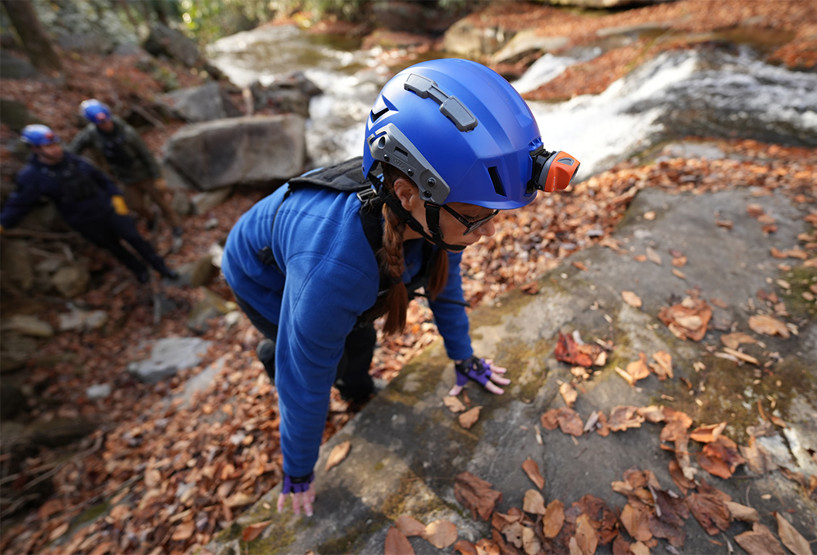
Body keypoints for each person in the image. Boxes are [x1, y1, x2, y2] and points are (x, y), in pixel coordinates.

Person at [220, 58, 580, 517]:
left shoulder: (440, 209)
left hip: (327, 261)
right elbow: (303, 381)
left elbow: (443, 287)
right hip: (259, 271)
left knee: (356, 335)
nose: (488, 232)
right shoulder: (335, 270)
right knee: (322, 351)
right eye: (477, 217)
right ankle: (279, 352)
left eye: (494, 215)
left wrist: (463, 357)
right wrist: (299, 470)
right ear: (408, 193)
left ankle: (355, 390)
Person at [0, 124, 179, 284]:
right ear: (35, 149)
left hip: (109, 211)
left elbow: (104, 180)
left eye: (55, 144)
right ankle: (139, 270)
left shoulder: (76, 161)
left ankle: (160, 267)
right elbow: (19, 203)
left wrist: (117, 199)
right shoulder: (32, 177)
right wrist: (3, 223)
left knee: (135, 238)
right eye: (49, 146)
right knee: (114, 248)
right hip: (85, 222)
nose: (55, 150)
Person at [68, 99, 183, 245]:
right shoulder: (92, 134)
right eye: (101, 123)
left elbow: (146, 154)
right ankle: (151, 218)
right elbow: (75, 147)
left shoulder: (127, 133)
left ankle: (176, 226)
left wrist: (157, 177)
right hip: (125, 178)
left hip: (144, 174)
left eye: (106, 120)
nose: (106, 124)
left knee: (162, 202)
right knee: (135, 205)